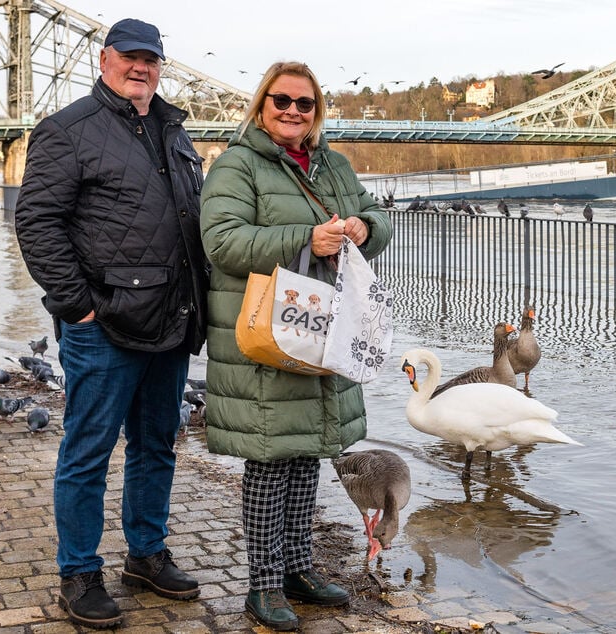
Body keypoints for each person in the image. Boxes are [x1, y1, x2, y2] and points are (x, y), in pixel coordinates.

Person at [15, 17, 208, 630]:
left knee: (157, 447)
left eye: (150, 58)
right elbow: (37, 224)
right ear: (104, 60)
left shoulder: (175, 130)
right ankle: (79, 572)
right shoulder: (67, 130)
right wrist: (79, 306)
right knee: (87, 452)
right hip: (104, 326)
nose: (140, 67)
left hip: (172, 322)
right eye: (129, 57)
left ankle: (146, 555)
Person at [200, 61, 393, 631]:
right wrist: (303, 238)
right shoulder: (236, 165)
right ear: (262, 105)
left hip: (321, 332)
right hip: (266, 336)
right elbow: (223, 242)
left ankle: (298, 569)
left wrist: (362, 229)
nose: (292, 111)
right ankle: (263, 586)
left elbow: (376, 217)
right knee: (269, 460)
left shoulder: (334, 164)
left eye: (304, 103)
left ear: (317, 112)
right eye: (281, 100)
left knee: (307, 452)